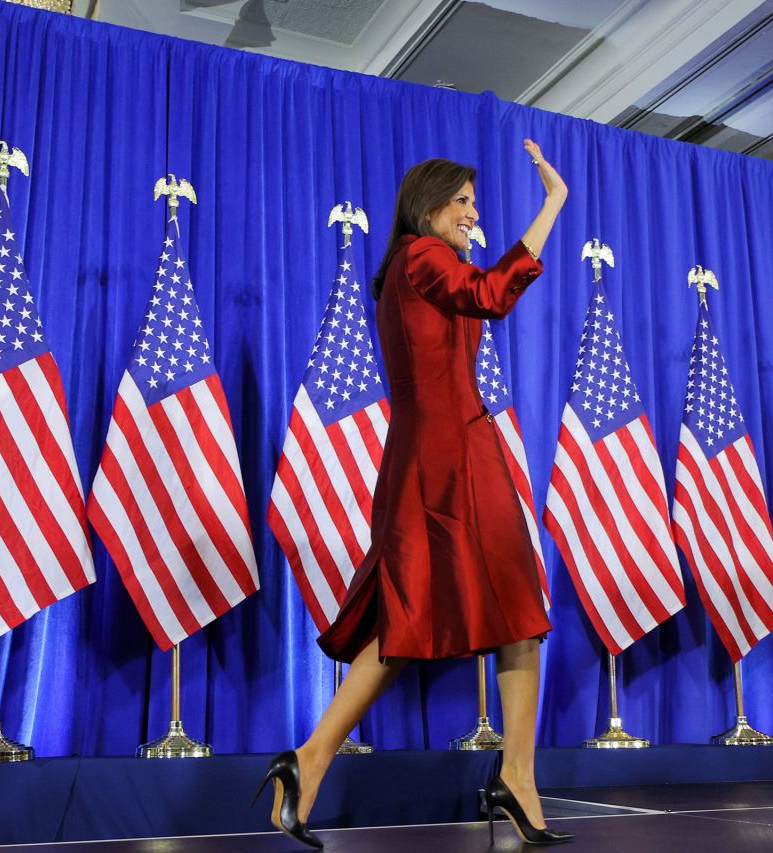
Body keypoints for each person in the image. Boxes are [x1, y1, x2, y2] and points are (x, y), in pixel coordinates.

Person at [253, 139, 571, 849]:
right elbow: (491, 296)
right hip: (447, 461)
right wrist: (552, 204)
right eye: (461, 201)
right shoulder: (424, 257)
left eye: (473, 201)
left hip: (442, 456)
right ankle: (509, 777)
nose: (472, 212)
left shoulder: (413, 266)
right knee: (473, 615)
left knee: (432, 623)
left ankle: (311, 761)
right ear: (426, 206)